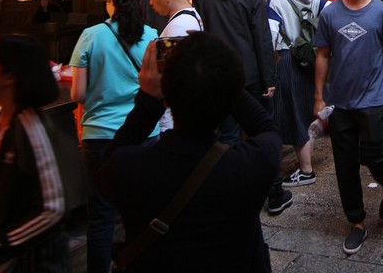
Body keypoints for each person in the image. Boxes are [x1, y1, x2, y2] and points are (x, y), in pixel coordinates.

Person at [96, 33, 280, 272]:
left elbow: (102, 169)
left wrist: (148, 99)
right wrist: (223, 77)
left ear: (166, 98)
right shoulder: (252, 165)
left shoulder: (130, 169)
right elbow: (267, 128)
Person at [314, 0, 383, 256]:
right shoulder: (330, 12)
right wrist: (318, 96)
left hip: (373, 98)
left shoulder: (381, 13)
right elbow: (323, 54)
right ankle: (356, 222)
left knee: (371, 151)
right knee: (344, 164)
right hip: (340, 101)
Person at [70, 0, 158, 273]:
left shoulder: (91, 36)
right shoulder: (152, 36)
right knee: (143, 211)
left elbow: (78, 93)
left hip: (99, 137)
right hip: (145, 135)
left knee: (101, 217)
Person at [192, 0, 287, 213]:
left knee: (229, 136)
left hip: (219, 76)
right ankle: (275, 192)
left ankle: (236, 195)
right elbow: (262, 36)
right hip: (252, 74)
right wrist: (269, 77)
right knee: (262, 132)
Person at [0, 35, 68, 273]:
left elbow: (52, 209)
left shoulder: (30, 126)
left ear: (10, 77)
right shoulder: (2, 120)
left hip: (30, 261)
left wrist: (2, 243)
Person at [266, 0, 324, 188]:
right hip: (311, 60)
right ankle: (305, 164)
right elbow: (331, 15)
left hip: (289, 59)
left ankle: (306, 170)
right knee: (306, 111)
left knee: (294, 114)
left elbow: (270, 36)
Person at [145, 0, 203, 132]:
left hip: (174, 121)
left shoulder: (178, 28)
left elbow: (171, 80)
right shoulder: (191, 16)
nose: (150, 3)